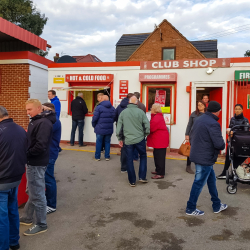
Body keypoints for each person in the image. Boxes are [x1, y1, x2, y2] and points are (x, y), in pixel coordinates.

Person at [20, 99, 56, 236]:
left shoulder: (43, 123)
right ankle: (27, 218)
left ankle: (41, 224)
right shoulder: (36, 120)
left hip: (36, 163)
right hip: (33, 162)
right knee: (32, 190)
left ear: (39, 108)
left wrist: (26, 154)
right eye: (26, 110)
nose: (27, 112)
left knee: (38, 194)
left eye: (30, 109)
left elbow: (41, 145)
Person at [186, 101, 227, 216]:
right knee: (198, 182)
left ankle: (217, 205)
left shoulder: (199, 119)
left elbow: (192, 135)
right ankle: (190, 208)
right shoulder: (213, 123)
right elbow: (220, 145)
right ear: (218, 111)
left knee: (211, 181)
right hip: (205, 158)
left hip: (199, 155)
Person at [0, 106, 27, 250]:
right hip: (16, 177)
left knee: (1, 216)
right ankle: (14, 242)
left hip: (2, 179)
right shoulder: (20, 129)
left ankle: (3, 246)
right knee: (12, 210)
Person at [116, 96, 150, 187]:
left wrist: (120, 139)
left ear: (129, 103)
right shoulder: (141, 112)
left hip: (128, 140)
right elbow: (147, 125)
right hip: (140, 139)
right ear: (137, 103)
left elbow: (119, 127)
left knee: (129, 159)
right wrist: (145, 134)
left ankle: (132, 181)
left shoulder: (123, 112)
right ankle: (142, 177)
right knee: (143, 156)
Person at [217, 104, 249, 179]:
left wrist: (234, 132)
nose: (237, 110)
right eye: (236, 109)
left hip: (241, 142)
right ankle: (224, 172)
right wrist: (228, 132)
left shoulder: (245, 120)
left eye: (239, 109)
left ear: (242, 110)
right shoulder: (232, 119)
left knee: (241, 156)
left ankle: (234, 170)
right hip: (232, 140)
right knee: (228, 156)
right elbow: (230, 128)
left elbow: (245, 133)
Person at [43, 103, 61, 214]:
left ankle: (51, 205)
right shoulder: (50, 120)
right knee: (47, 178)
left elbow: (44, 135)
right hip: (49, 152)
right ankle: (48, 202)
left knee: (49, 179)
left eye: (44, 110)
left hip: (50, 153)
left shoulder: (53, 122)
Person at [147, 104, 169, 179]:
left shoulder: (157, 118)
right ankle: (158, 170)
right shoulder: (157, 116)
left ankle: (160, 173)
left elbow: (151, 128)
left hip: (160, 140)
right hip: (159, 140)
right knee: (157, 155)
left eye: (151, 108)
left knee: (159, 157)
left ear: (154, 109)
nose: (150, 109)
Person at [185, 100, 206, 174]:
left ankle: (201, 166)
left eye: (201, 105)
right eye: (198, 105)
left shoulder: (207, 114)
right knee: (190, 151)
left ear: (204, 106)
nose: (199, 106)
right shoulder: (194, 114)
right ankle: (188, 166)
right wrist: (187, 134)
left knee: (201, 151)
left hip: (203, 136)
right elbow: (189, 125)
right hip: (193, 135)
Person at [114, 93, 134, 173]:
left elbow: (114, 116)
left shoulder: (119, 106)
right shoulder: (130, 107)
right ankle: (129, 165)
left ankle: (123, 167)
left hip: (121, 129)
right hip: (129, 129)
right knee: (130, 147)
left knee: (123, 148)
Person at [92, 95, 115, 161]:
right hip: (109, 128)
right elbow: (114, 117)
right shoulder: (112, 108)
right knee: (107, 142)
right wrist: (110, 123)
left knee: (99, 142)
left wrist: (94, 125)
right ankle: (107, 156)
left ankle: (97, 157)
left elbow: (95, 118)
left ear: (102, 99)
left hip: (100, 128)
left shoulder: (98, 107)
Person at [133, 92, 146, 161]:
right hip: (140, 126)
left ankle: (135, 156)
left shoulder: (134, 105)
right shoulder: (143, 105)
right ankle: (137, 155)